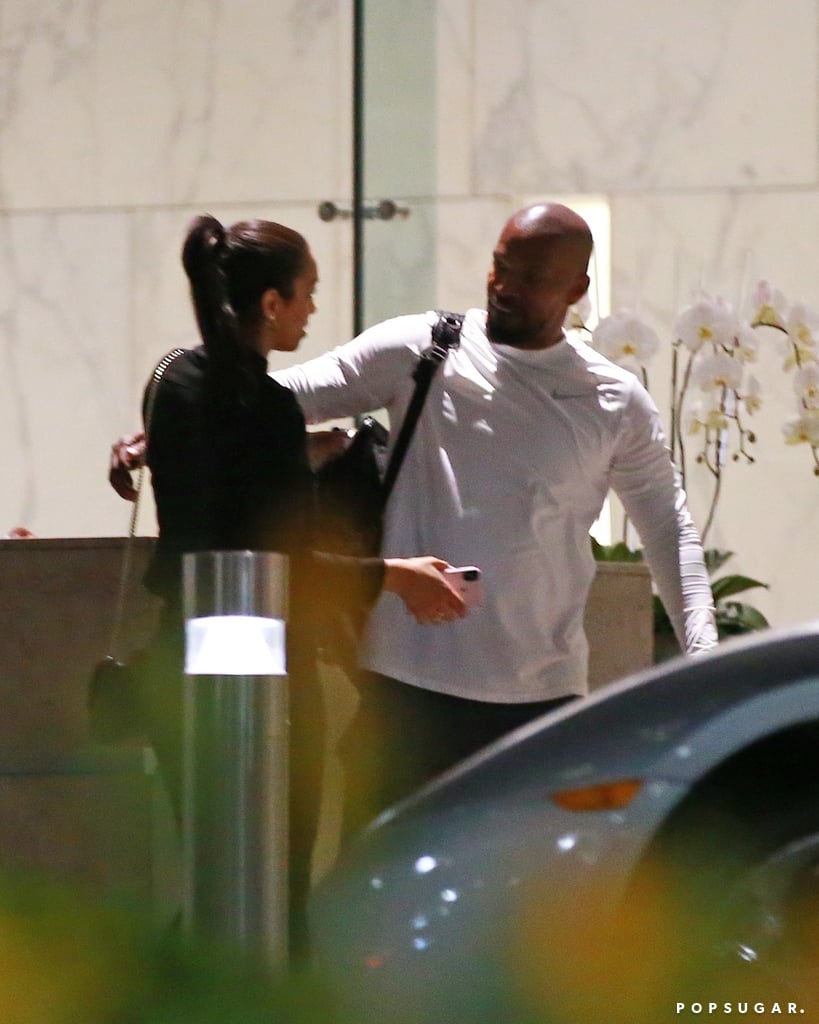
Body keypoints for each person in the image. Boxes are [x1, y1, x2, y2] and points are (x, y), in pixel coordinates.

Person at [110, 201, 718, 840]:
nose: (506, 288)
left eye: (532, 278)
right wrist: (162, 437)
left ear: (576, 290)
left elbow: (668, 531)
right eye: (499, 267)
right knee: (375, 895)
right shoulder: (425, 347)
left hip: (540, 695)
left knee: (523, 910)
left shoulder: (613, 399)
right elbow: (273, 400)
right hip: (402, 688)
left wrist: (703, 653)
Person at [135, 214, 467, 959]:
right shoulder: (270, 409)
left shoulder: (175, 384)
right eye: (307, 293)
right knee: (276, 878)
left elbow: (214, 512)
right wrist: (392, 575)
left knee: (213, 872)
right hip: (267, 674)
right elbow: (279, 560)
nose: (314, 311)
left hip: (178, 656)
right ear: (272, 304)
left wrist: (300, 457)